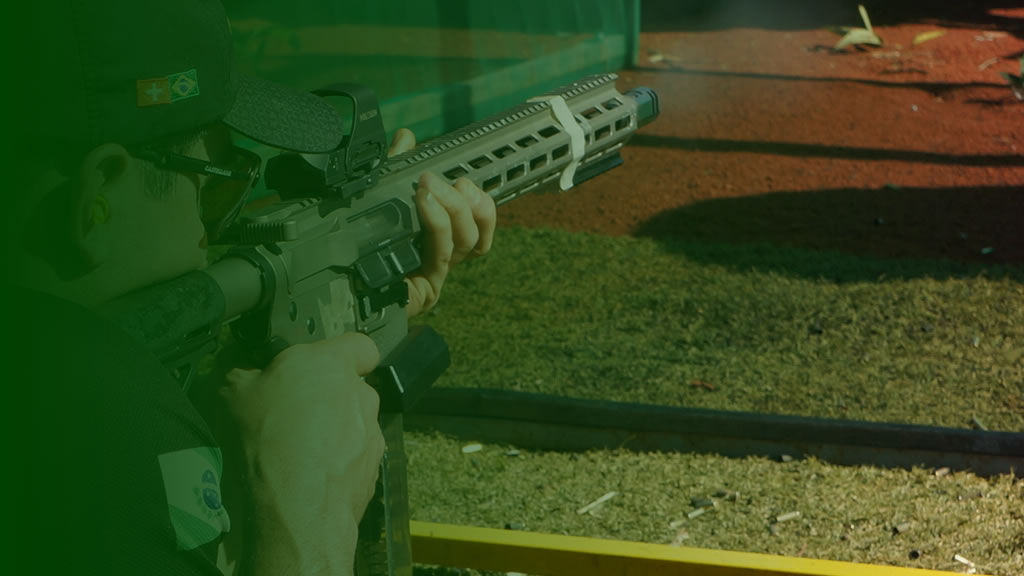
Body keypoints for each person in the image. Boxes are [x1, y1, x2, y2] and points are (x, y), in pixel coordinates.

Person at [12, 1, 496, 575]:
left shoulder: (46, 406)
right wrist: (302, 511)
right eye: (217, 186)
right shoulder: (109, 418)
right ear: (97, 200)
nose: (210, 236)